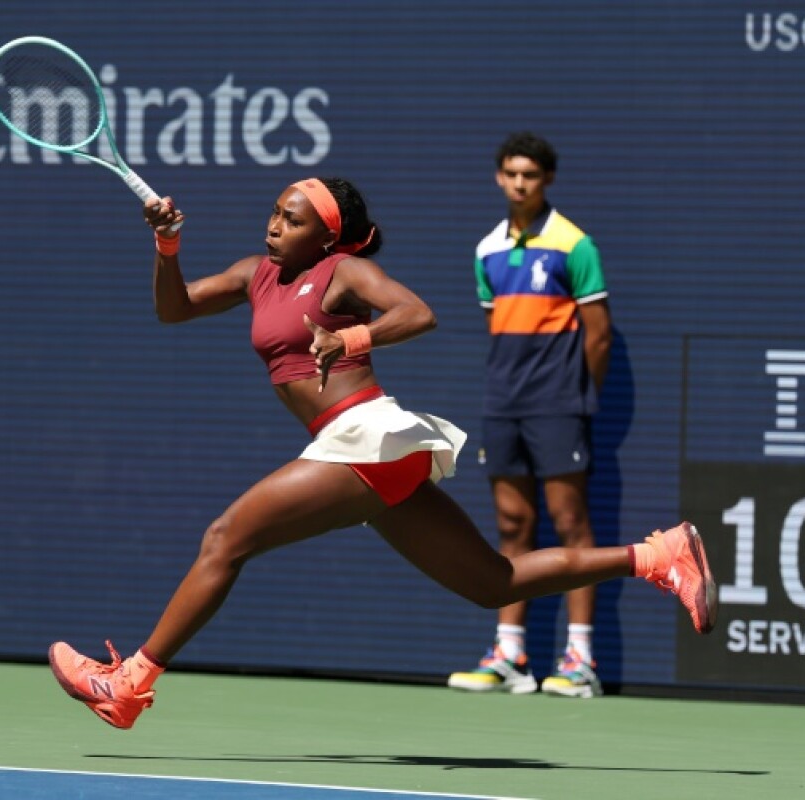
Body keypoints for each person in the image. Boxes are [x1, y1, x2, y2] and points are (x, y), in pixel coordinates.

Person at [47, 177, 718, 730]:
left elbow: (417, 313)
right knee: (493, 583)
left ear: (325, 236)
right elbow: (175, 309)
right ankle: (658, 556)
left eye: (292, 219)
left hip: (365, 436)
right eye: (275, 212)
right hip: (361, 450)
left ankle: (130, 683)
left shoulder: (345, 271)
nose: (275, 225)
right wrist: (167, 245)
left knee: (226, 538)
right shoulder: (256, 273)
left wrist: (350, 340)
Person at [448, 133, 614, 699]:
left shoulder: (574, 244)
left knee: (571, 523)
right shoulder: (486, 249)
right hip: (503, 404)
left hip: (558, 405)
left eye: (531, 175)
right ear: (500, 177)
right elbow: (499, 328)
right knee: (511, 526)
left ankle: (580, 659)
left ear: (547, 180)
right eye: (512, 173)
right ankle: (510, 654)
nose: (520, 183)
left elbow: (598, 335)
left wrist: (576, 397)